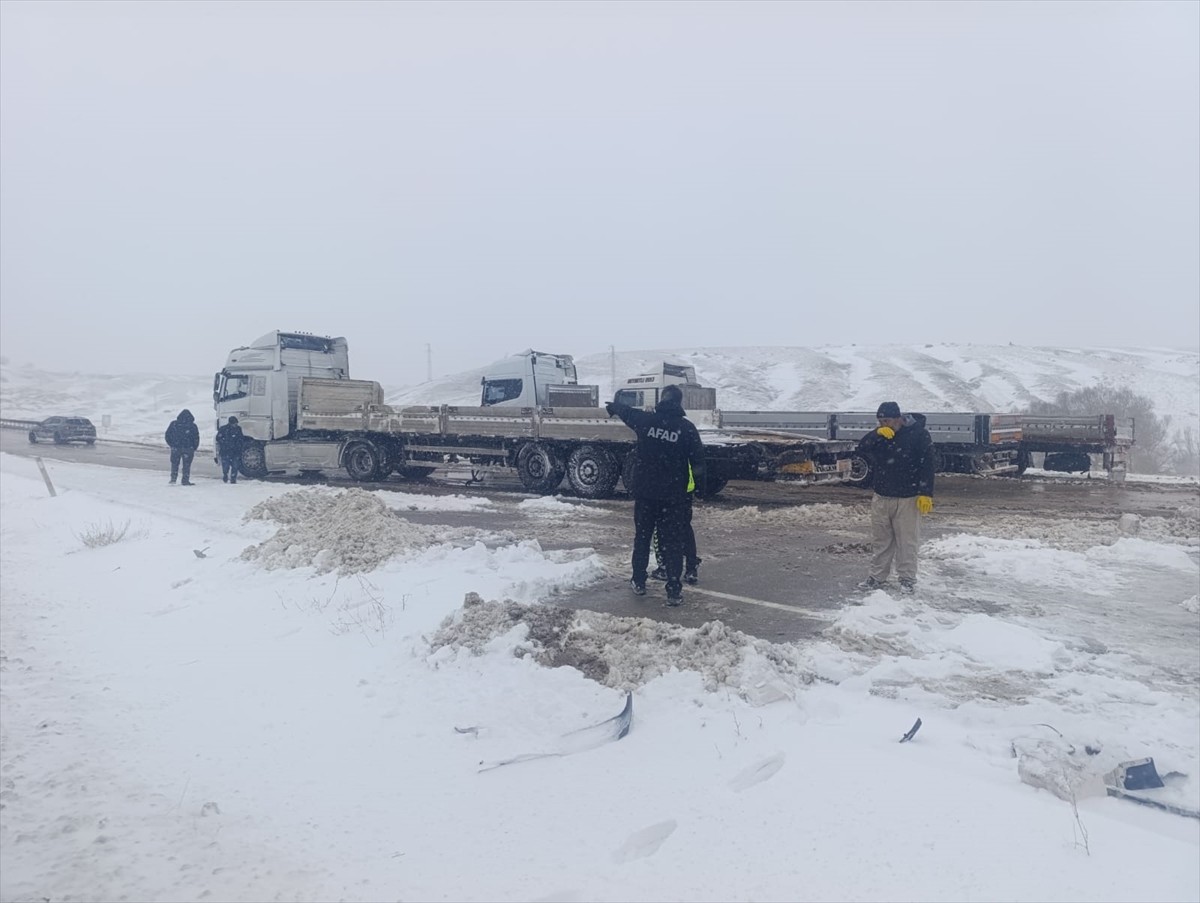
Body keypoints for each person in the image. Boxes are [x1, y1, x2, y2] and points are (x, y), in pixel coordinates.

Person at [606, 384, 705, 606]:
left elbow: (628, 413)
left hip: (646, 494)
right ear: (679, 403)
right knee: (673, 541)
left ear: (662, 400)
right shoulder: (686, 428)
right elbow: (698, 462)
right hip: (674, 496)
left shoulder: (646, 421)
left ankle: (638, 580)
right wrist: (700, 488)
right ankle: (673, 590)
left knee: (642, 537)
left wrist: (615, 406)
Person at [854, 401, 935, 594]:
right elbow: (861, 448)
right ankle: (876, 577)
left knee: (907, 541)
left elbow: (928, 464)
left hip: (908, 498)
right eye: (880, 421)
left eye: (887, 420)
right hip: (882, 497)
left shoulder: (918, 434)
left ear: (898, 418)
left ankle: (907, 579)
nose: (884, 424)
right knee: (881, 540)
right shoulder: (882, 435)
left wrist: (926, 493)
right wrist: (875, 434)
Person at [650, 461, 701, 584]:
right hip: (685, 487)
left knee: (660, 527)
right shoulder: (687, 443)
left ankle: (664, 566)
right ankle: (691, 567)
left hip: (668, 488)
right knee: (685, 528)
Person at [165, 409, 200, 485]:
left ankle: (173, 479)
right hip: (188, 448)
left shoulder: (174, 424)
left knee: (174, 464)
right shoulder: (193, 426)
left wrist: (172, 444)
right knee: (187, 465)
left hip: (176, 448)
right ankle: (185, 480)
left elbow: (167, 435)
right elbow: (196, 437)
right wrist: (194, 447)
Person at [214, 415, 244, 484]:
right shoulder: (223, 429)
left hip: (234, 451)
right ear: (231, 423)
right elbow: (218, 438)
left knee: (235, 466)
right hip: (226, 451)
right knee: (226, 466)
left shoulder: (238, 429)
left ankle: (233, 479)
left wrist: (239, 446)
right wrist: (225, 443)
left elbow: (241, 439)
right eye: (235, 423)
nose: (236, 424)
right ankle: (225, 475)